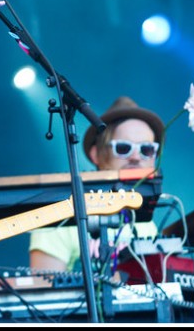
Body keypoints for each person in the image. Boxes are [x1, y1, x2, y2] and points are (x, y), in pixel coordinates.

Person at [28, 96, 162, 273]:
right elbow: (44, 290)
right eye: (123, 148)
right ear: (96, 154)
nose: (136, 157)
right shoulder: (61, 209)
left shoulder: (146, 223)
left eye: (147, 150)